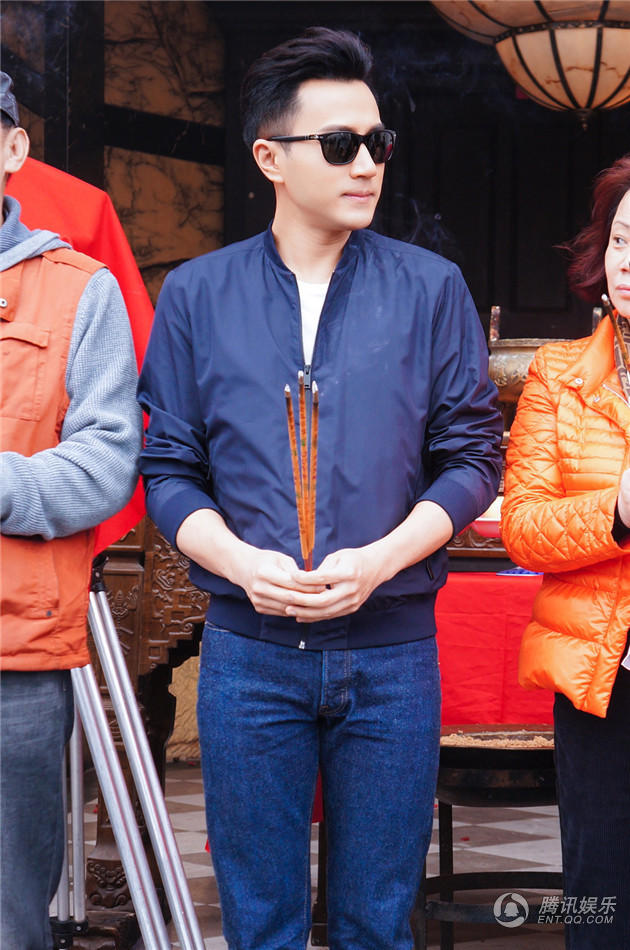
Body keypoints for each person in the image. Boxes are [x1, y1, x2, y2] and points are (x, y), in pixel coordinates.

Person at [138, 28, 502, 950]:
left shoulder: (430, 289)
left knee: (378, 922)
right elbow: (168, 471)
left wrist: (380, 561)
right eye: (339, 145)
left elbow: (471, 459)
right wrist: (240, 562)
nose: (366, 165)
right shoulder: (197, 295)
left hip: (392, 655)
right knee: (260, 924)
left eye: (377, 143)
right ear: (271, 158)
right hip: (248, 654)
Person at [0, 72, 142, 949]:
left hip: (15, 652)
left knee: (11, 910)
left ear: (14, 148)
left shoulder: (81, 290)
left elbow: (106, 464)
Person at [501, 153, 630, 948]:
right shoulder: (558, 377)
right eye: (622, 240)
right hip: (605, 682)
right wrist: (616, 511)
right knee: (601, 897)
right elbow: (523, 526)